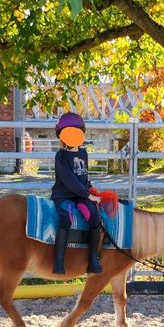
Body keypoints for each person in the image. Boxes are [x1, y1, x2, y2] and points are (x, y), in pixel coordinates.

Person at [51, 113, 103, 275]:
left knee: (94, 216)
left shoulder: (83, 153)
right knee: (65, 218)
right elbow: (69, 180)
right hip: (63, 195)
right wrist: (88, 195)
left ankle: (93, 259)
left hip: (81, 195)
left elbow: (83, 176)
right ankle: (59, 262)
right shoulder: (61, 156)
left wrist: (90, 189)